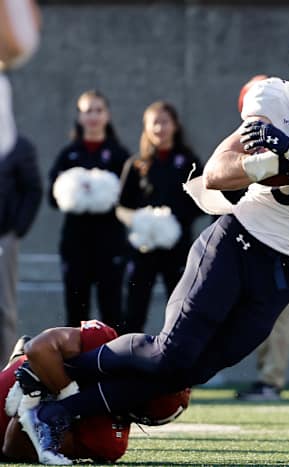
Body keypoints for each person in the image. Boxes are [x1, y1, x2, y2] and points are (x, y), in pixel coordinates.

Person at [22, 27, 289, 463]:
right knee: (170, 354)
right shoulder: (275, 99)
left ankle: (57, 410)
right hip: (237, 243)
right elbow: (219, 172)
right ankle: (51, 374)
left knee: (191, 371)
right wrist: (260, 163)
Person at [4, 320, 189, 464]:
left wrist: (34, 395)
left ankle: (18, 364)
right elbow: (37, 348)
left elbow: (13, 448)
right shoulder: (105, 342)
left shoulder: (109, 441)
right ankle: (18, 363)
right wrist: (65, 391)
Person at [232, 75, 289, 401]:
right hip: (245, 237)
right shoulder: (237, 145)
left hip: (280, 240)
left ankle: (271, 379)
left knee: (277, 311)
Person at [118, 101, 204, 333]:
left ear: (175, 125)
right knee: (134, 310)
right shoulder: (137, 164)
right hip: (142, 249)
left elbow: (203, 202)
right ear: (146, 127)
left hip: (178, 248)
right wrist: (143, 222)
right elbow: (122, 206)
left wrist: (173, 221)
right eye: (154, 123)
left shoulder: (189, 162)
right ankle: (129, 361)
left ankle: (178, 362)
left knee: (181, 307)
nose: (159, 128)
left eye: (164, 122)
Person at [48, 90, 130, 329]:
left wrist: (104, 191)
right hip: (76, 244)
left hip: (110, 243)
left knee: (112, 310)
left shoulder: (119, 155)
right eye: (87, 111)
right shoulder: (68, 155)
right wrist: (72, 191)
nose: (92, 116)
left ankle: (113, 365)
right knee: (75, 311)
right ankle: (73, 366)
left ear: (107, 115)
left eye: (98, 110)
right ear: (79, 117)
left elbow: (131, 199)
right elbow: (52, 199)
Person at [0, 0, 42, 363]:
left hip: (2, 235)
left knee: (3, 309)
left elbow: (32, 189)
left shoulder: (16, 143)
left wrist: (13, 229)